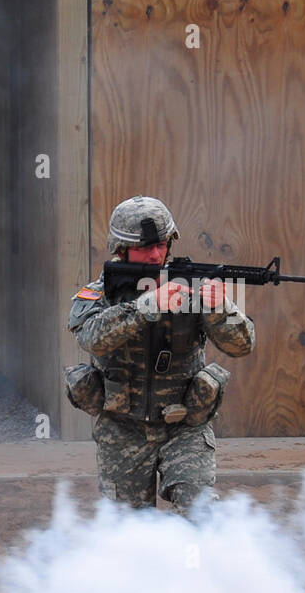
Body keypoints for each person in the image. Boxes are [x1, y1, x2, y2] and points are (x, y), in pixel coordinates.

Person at [65, 196, 255, 515]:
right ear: (120, 249)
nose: (156, 254)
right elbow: (92, 337)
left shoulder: (191, 286)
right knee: (128, 530)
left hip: (185, 426)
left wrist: (219, 309)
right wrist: (149, 305)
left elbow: (242, 345)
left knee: (200, 512)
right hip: (123, 430)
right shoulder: (100, 293)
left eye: (162, 245)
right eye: (145, 247)